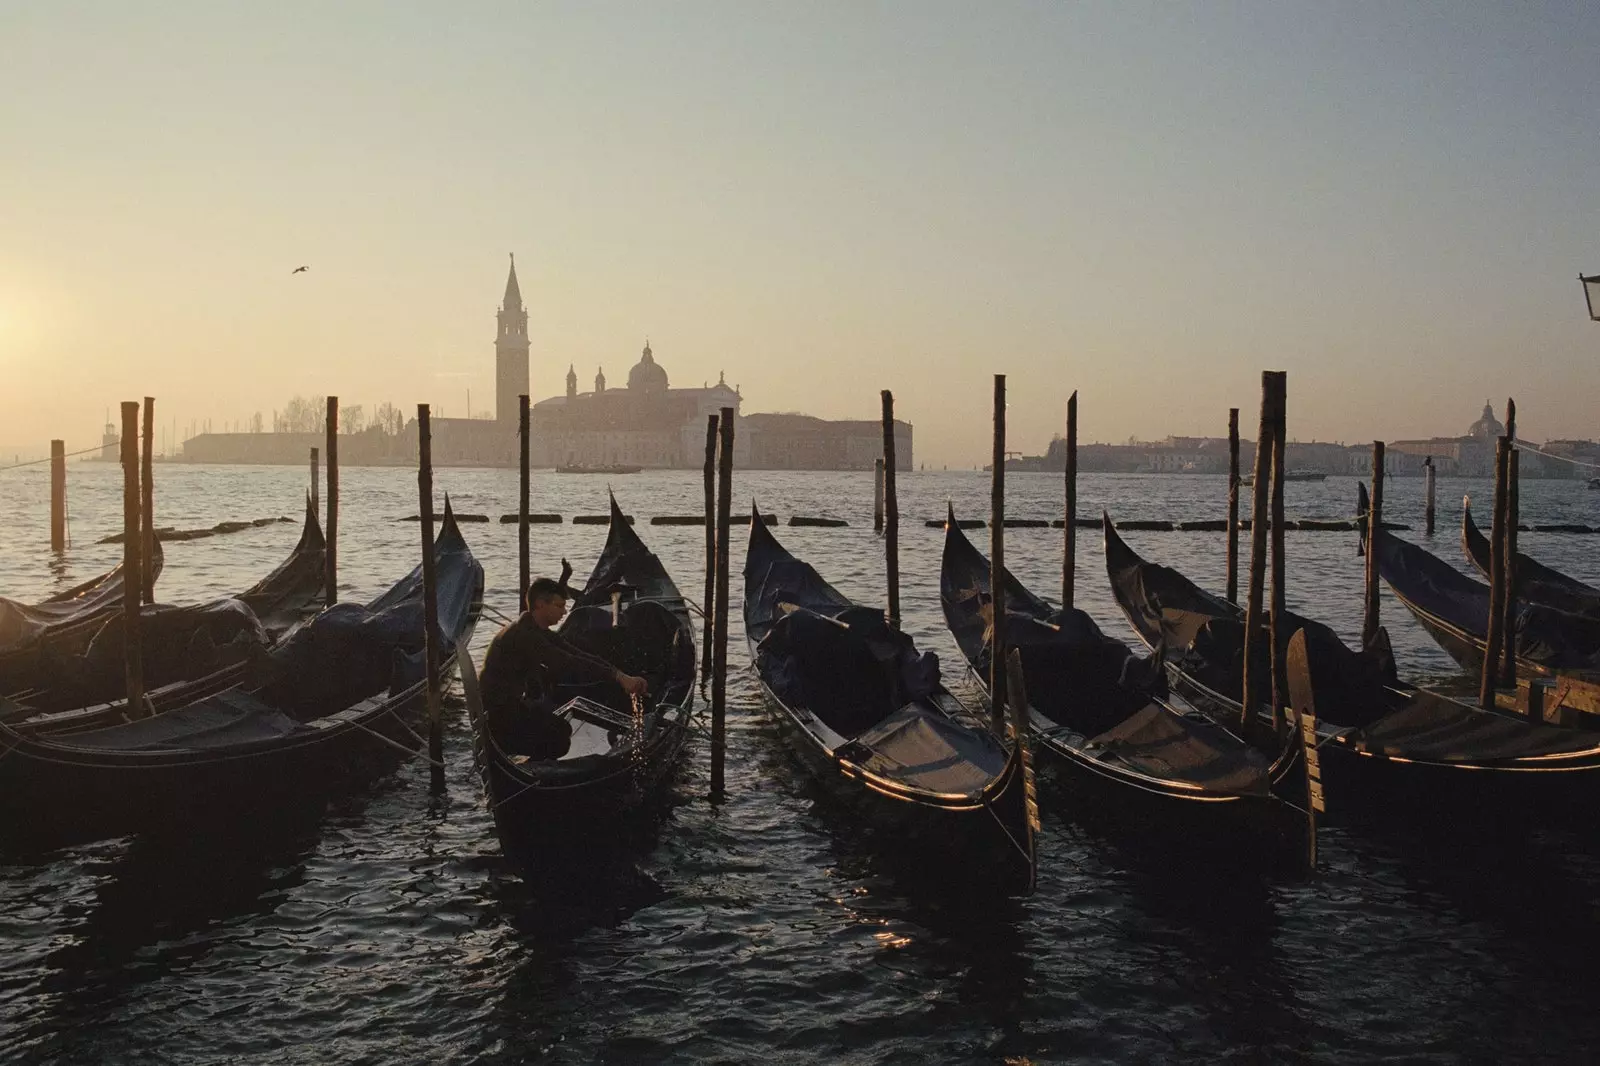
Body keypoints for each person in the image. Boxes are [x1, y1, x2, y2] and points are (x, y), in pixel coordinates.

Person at [479, 576, 648, 759]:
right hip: (498, 717)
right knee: (558, 736)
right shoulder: (524, 636)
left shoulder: (534, 629)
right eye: (559, 606)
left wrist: (620, 675)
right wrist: (619, 678)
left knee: (559, 727)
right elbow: (568, 662)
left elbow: (578, 654)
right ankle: (536, 772)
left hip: (509, 707)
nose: (565, 611)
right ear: (541, 604)